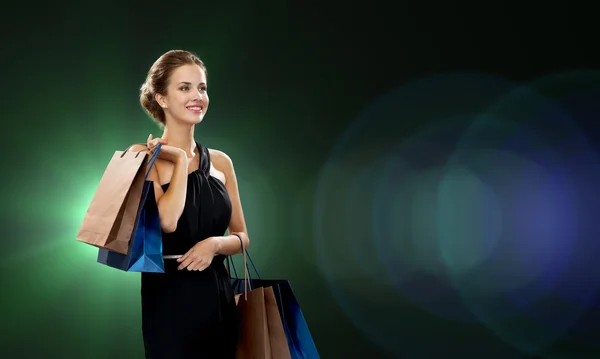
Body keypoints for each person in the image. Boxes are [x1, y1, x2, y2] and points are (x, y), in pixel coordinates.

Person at [129, 49, 250, 358]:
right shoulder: (144, 159)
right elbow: (167, 221)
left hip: (219, 295)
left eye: (202, 88)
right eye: (185, 88)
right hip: (169, 298)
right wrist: (181, 161)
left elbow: (242, 237)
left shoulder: (222, 162)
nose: (198, 96)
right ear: (162, 98)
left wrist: (214, 245)